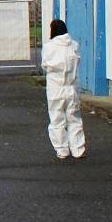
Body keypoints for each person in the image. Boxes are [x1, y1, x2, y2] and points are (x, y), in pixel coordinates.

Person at [41, 19, 87, 160]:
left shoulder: (48, 47)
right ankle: (78, 150)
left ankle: (62, 150)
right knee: (74, 119)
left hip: (55, 89)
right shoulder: (74, 45)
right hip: (71, 88)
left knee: (56, 120)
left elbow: (45, 65)